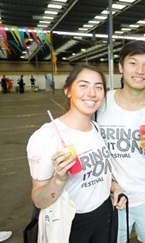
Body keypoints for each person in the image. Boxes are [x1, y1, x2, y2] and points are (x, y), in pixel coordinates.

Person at [26, 64, 126, 242]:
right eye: (83, 85)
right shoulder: (46, 136)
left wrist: (115, 187)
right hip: (71, 221)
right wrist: (58, 179)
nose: (92, 93)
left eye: (98, 87)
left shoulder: (96, 128)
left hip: (104, 214)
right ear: (68, 91)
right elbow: (39, 200)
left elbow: (99, 174)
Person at [97, 40, 145, 243]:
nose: (140, 71)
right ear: (121, 67)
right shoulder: (100, 105)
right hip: (109, 199)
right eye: (133, 63)